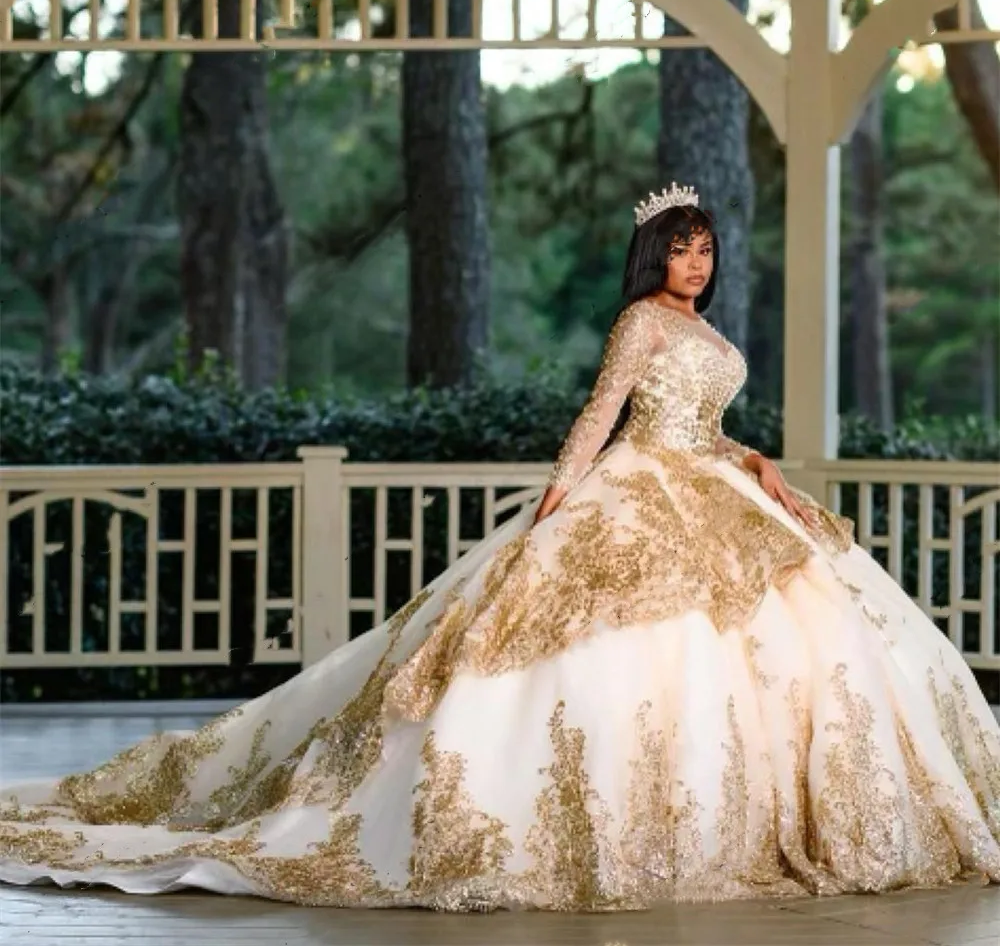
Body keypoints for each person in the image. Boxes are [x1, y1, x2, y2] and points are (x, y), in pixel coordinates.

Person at [1, 184, 998, 912]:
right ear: (655, 256)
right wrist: (559, 500)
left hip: (712, 482)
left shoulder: (699, 328)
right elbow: (604, 414)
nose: (697, 262)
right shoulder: (640, 322)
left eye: (705, 249)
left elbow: (693, 423)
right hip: (637, 485)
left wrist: (749, 456)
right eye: (681, 249)